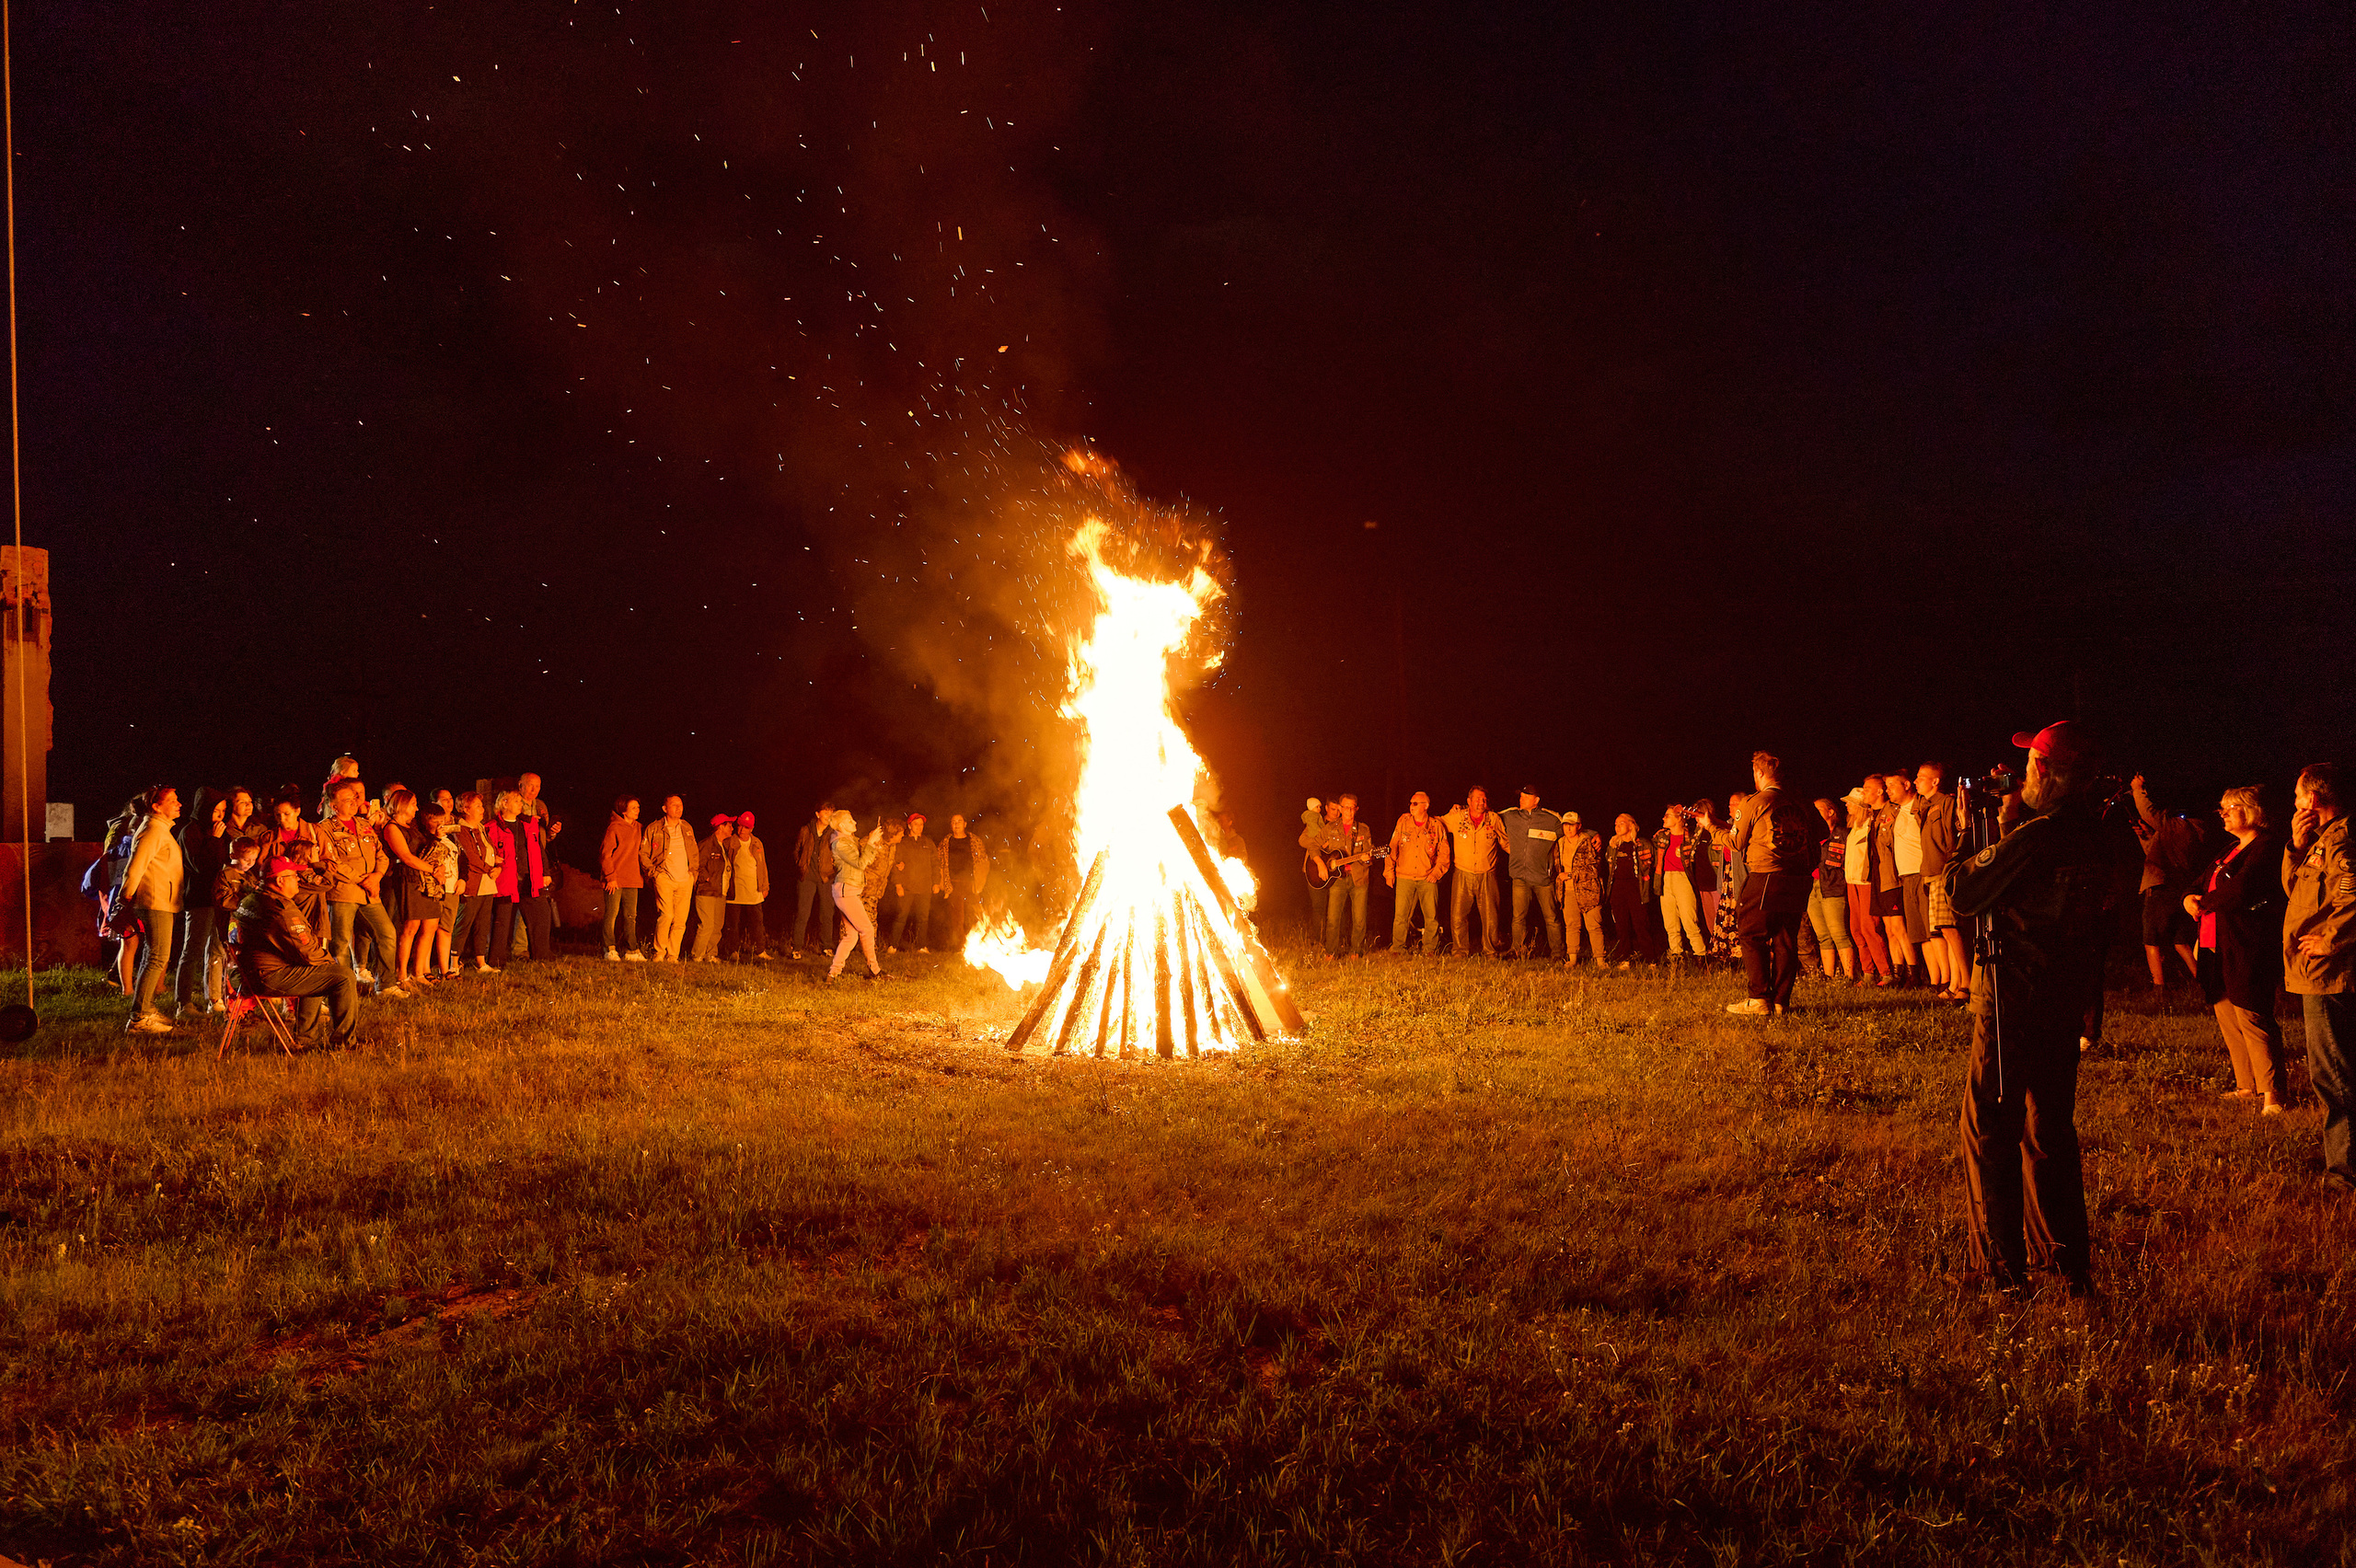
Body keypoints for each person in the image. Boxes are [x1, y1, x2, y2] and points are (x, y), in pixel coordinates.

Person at [1944, 720, 2139, 1297]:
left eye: (2031, 763)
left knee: (1988, 1127)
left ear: (2047, 771)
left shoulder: (2035, 836)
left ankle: (1998, 1268)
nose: (2021, 772)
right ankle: (2065, 1262)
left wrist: (1977, 832)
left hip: (2013, 991)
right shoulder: (2099, 833)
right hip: (2065, 992)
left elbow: (1963, 888)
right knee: (2048, 1126)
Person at [2187, 785, 2288, 1114]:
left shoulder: (2267, 846)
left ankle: (2273, 1093)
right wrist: (2190, 897)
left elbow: (2243, 888)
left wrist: (2204, 903)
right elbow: (2201, 881)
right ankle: (2248, 1084)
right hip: (2214, 940)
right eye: (2222, 808)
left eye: (2230, 807)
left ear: (2252, 810)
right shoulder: (2229, 848)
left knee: (2251, 1011)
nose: (2223, 813)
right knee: (2227, 1012)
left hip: (2246, 941)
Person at [2284, 764, 2355, 1193]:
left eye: (2297, 797)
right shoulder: (2320, 842)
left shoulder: (2343, 840)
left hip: (2331, 975)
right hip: (2316, 975)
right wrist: (2296, 844)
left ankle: (2344, 1172)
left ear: (2312, 799)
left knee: (2335, 1075)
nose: (2294, 805)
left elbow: (2352, 892)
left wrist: (2332, 938)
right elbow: (2295, 890)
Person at [1726, 754, 1825, 1016]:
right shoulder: (1801, 802)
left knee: (1751, 934)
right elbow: (1823, 832)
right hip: (1798, 876)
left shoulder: (1756, 801)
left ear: (1759, 774)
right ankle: (1781, 1001)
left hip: (1767, 873)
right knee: (1785, 938)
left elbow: (1736, 842)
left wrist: (1712, 828)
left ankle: (1759, 998)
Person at [230, 857, 361, 1048]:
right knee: (342, 976)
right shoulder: (280, 910)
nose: (299, 879)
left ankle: (305, 1039)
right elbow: (308, 953)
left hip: (243, 974)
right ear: (280, 880)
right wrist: (330, 963)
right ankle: (344, 1043)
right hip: (267, 977)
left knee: (318, 972)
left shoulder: (251, 899)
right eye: (294, 875)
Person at [319, 778, 407, 998]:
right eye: (346, 800)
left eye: (353, 798)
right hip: (344, 892)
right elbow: (331, 862)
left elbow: (381, 855)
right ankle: (343, 990)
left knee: (387, 933)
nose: (352, 803)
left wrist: (376, 876)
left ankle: (385, 985)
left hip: (370, 892)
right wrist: (362, 879)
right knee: (339, 943)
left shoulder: (363, 825)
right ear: (333, 805)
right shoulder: (324, 829)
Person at [117, 786, 187, 1033]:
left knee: (153, 956)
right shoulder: (153, 831)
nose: (179, 804)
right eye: (173, 800)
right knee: (157, 957)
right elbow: (135, 867)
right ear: (157, 807)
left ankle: (145, 1008)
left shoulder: (159, 829)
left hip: (161, 901)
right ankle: (140, 1017)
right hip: (155, 901)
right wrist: (124, 900)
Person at [2131, 774, 2206, 988]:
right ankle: (2202, 981)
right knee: (2180, 941)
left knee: (2150, 941)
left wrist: (2138, 789)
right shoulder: (2191, 829)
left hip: (2161, 890)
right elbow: (2154, 853)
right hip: (2179, 891)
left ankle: (2159, 989)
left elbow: (2147, 811)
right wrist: (2146, 836)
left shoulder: (2178, 826)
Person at [176, 788, 234, 1016]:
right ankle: (183, 1002)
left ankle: (216, 999)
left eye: (222, 811)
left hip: (219, 899)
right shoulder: (191, 832)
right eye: (215, 810)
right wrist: (213, 840)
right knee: (192, 950)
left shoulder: (220, 832)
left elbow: (225, 861)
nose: (219, 816)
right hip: (199, 898)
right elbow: (199, 865)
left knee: (218, 949)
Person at [376, 790, 442, 990]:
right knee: (410, 928)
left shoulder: (413, 826)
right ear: (402, 804)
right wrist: (432, 869)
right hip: (408, 878)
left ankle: (419, 972)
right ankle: (402, 974)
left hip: (426, 878)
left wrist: (436, 838)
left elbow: (425, 848)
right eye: (413, 803)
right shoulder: (392, 828)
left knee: (429, 926)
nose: (417, 807)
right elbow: (405, 856)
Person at [1914, 763, 1968, 999]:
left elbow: (1953, 840)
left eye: (1920, 777)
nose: (1916, 782)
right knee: (1944, 931)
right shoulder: (1926, 807)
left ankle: (1966, 983)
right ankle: (1955, 983)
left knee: (1951, 928)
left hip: (1944, 873)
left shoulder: (1946, 803)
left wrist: (1951, 870)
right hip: (1931, 873)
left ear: (1935, 781)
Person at [1299, 793, 1373, 959]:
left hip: (1358, 878)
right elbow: (1313, 845)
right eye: (1346, 807)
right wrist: (1319, 863)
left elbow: (1369, 856)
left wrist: (1367, 859)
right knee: (1333, 918)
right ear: (1340, 808)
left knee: (1359, 919)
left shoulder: (1363, 829)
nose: (1349, 811)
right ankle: (1331, 951)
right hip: (1337, 880)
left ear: (1356, 809)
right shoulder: (1330, 828)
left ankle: (1356, 951)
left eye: (1352, 807)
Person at [1501, 787, 1565, 961]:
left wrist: (1593, 834)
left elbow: (1572, 831)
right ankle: (1517, 951)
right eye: (1520, 796)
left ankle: (1558, 954)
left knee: (1551, 918)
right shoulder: (1510, 815)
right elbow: (1487, 817)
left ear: (1536, 800)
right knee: (1518, 917)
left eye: (1526, 796)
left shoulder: (1551, 819)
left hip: (1543, 878)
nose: (1521, 799)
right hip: (1519, 876)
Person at [1865, 776, 1919, 986]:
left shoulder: (1893, 812)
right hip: (1879, 876)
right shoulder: (1873, 816)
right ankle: (1897, 973)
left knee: (1899, 926)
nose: (1887, 790)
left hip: (1893, 875)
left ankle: (1914, 972)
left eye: (1868, 788)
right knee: (1889, 928)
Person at [1444, 789, 1509, 957]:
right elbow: (1436, 824)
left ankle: (1490, 951)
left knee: (1491, 917)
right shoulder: (1457, 817)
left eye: (1485, 799)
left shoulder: (1493, 819)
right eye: (1478, 799)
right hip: (1463, 872)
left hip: (1487, 873)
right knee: (1458, 915)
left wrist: (1524, 859)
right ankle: (1459, 951)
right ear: (1469, 800)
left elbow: (1506, 843)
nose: (1482, 802)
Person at [1385, 790, 1450, 955]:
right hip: (1404, 876)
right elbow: (1392, 847)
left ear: (1426, 806)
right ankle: (1398, 948)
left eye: (1415, 803)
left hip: (1427, 877)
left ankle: (1430, 948)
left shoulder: (1436, 826)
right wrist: (1389, 872)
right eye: (1410, 803)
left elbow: (1444, 853)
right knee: (1401, 916)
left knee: (1431, 916)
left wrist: (1437, 873)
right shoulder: (1403, 822)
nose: (1411, 806)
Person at [827, 811, 889, 981]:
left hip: (848, 890)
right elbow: (861, 864)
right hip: (846, 891)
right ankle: (875, 971)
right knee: (867, 929)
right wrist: (870, 843)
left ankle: (833, 974)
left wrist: (873, 844)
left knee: (852, 935)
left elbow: (865, 859)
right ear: (841, 826)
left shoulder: (850, 841)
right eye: (849, 820)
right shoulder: (840, 844)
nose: (854, 822)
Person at [1843, 787, 1894, 985]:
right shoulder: (1854, 827)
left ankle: (1886, 971)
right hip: (1852, 881)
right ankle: (1868, 971)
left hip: (1866, 882)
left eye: (1850, 802)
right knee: (1856, 928)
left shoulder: (1869, 825)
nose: (1847, 805)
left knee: (1870, 927)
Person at [1888, 771, 1932, 986]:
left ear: (1906, 785)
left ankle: (1942, 980)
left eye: (1891, 785)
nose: (1888, 791)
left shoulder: (1922, 806)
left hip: (1922, 872)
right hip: (1905, 875)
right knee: (1919, 933)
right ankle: (1933, 979)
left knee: (1932, 930)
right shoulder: (1896, 812)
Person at [451, 792, 502, 973]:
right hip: (473, 882)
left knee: (483, 924)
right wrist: (490, 869)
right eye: (478, 806)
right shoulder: (461, 830)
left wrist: (498, 867)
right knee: (464, 922)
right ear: (465, 809)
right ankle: (453, 962)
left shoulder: (481, 828)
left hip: (487, 883)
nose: (483, 809)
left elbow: (492, 853)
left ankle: (481, 962)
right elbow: (471, 857)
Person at [1806, 797, 1857, 981]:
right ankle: (1828, 975)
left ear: (1830, 812)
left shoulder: (1843, 834)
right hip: (1813, 887)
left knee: (1839, 933)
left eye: (1819, 809)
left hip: (1833, 886)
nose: (1815, 813)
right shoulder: (1811, 835)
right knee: (1822, 935)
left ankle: (1849, 975)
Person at [1651, 805, 1708, 963]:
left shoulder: (1690, 836)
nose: (1664, 818)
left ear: (1678, 818)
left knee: (1689, 920)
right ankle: (1676, 955)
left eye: (1667, 815)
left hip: (1683, 878)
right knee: (1670, 922)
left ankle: (1700, 955)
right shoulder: (1661, 837)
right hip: (1665, 879)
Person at [1605, 814, 1660, 967]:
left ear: (1631, 825)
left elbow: (1653, 862)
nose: (1617, 827)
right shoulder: (1613, 845)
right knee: (1621, 925)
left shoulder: (1642, 844)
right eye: (1616, 824)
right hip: (1618, 888)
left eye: (1621, 823)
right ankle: (1624, 958)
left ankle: (1651, 959)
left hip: (1637, 888)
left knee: (1641, 924)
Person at [1554, 811, 1607, 969]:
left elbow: (1594, 868)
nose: (1568, 829)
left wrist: (1570, 875)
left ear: (1579, 826)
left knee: (1594, 925)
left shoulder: (1588, 842)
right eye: (1566, 825)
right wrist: (1560, 879)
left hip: (1588, 889)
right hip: (1568, 890)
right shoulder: (1560, 843)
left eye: (1572, 825)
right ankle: (1572, 959)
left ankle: (1600, 960)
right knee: (1571, 925)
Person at [418, 801, 463, 977]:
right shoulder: (425, 838)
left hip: (452, 888)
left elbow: (461, 858)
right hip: (435, 889)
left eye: (442, 821)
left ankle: (445, 969)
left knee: (446, 929)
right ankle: (425, 969)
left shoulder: (450, 839)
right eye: (435, 822)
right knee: (428, 929)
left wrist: (462, 879)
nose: (440, 826)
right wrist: (435, 837)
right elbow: (426, 856)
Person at [886, 812, 940, 953]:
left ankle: (921, 946)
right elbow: (895, 864)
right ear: (909, 825)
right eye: (916, 824)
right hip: (907, 887)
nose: (919, 827)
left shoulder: (928, 843)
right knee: (901, 916)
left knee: (923, 918)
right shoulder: (902, 842)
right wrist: (898, 885)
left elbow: (935, 863)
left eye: (921, 824)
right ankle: (893, 945)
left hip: (925, 887)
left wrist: (936, 882)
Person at [601, 796, 647, 961]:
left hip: (633, 877)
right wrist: (610, 876)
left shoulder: (639, 828)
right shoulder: (614, 828)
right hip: (615, 878)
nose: (637, 810)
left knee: (630, 916)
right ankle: (609, 948)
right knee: (612, 914)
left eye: (638, 807)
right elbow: (606, 854)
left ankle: (631, 949)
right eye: (634, 807)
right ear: (623, 810)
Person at [789, 801, 837, 960]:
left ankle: (826, 946)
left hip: (826, 876)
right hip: (807, 877)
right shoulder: (806, 830)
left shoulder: (834, 832)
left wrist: (834, 865)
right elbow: (796, 849)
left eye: (831, 812)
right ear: (817, 814)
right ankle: (796, 947)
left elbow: (838, 852)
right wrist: (801, 865)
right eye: (826, 812)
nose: (829, 815)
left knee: (827, 913)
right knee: (803, 913)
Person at [724, 810, 773, 960]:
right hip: (735, 889)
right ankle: (733, 951)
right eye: (739, 826)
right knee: (733, 923)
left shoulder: (757, 843)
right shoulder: (730, 842)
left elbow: (762, 865)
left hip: (754, 889)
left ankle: (760, 950)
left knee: (757, 922)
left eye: (745, 827)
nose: (741, 830)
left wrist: (765, 885)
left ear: (751, 828)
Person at [938, 813, 991, 950]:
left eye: (959, 821)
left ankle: (980, 944)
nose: (956, 824)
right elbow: (940, 863)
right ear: (951, 825)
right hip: (954, 884)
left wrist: (979, 882)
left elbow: (983, 862)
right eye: (954, 822)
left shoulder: (974, 841)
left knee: (975, 914)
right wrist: (941, 883)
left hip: (971, 884)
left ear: (965, 824)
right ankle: (960, 947)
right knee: (956, 918)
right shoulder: (945, 843)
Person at [690, 815, 733, 963]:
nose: (732, 829)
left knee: (717, 926)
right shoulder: (707, 844)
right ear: (720, 827)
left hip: (720, 891)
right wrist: (707, 879)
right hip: (707, 891)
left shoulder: (724, 846)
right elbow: (698, 866)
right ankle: (697, 955)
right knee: (707, 924)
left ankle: (710, 954)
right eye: (729, 825)